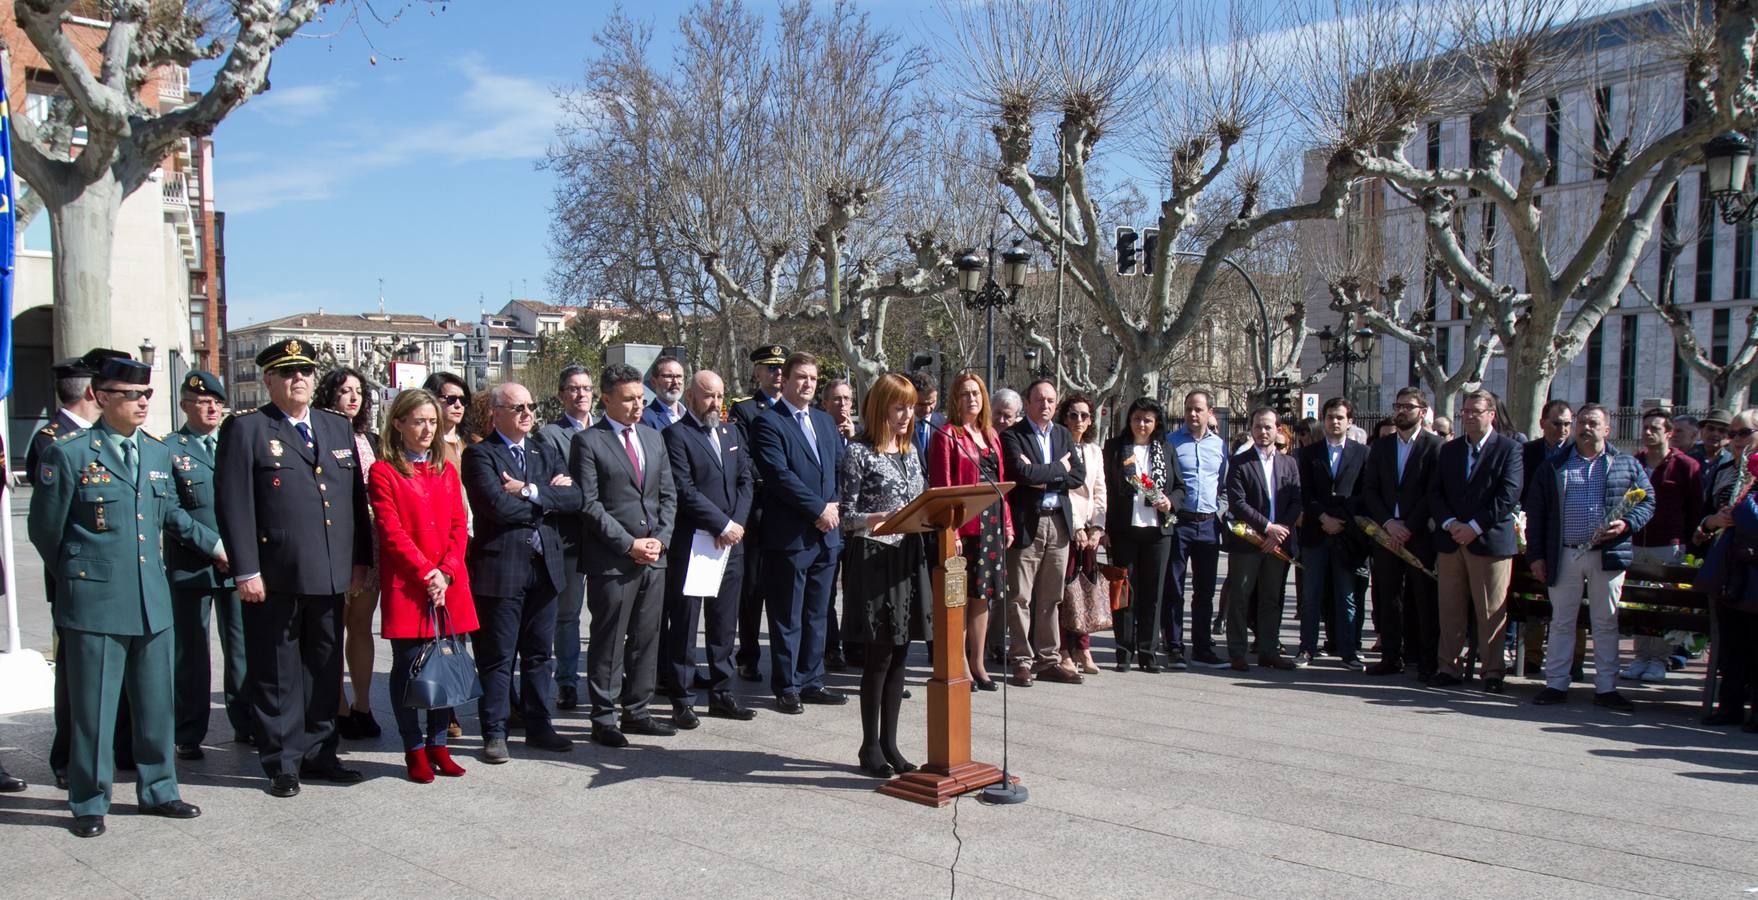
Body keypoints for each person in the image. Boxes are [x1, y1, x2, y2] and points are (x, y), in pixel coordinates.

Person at [28, 356, 221, 837]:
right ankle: (90, 798)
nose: (142, 403)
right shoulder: (69, 454)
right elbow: (46, 531)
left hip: (152, 596)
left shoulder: (156, 454)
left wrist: (213, 544)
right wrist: (82, 577)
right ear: (100, 397)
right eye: (132, 395)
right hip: (94, 600)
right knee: (93, 706)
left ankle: (159, 789)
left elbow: (170, 514)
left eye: (147, 395)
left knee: (156, 702)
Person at [216, 339, 372, 798]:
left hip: (329, 573)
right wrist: (246, 570)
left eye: (304, 371)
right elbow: (235, 506)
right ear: (268, 380)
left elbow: (353, 502)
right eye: (286, 373)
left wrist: (360, 559)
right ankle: (282, 761)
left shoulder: (335, 426)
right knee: (278, 671)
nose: (298, 379)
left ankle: (321, 751)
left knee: (324, 668)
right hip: (275, 575)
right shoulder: (247, 430)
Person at [463, 383, 582, 762]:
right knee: (498, 656)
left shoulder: (544, 451)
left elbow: (575, 498)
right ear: (496, 413)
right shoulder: (481, 455)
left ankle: (539, 725)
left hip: (544, 567)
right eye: (518, 407)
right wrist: (547, 499)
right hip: (501, 569)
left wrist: (529, 490)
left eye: (531, 405)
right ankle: (495, 732)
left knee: (537, 654)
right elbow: (496, 507)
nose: (527, 413)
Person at [32, 351, 134, 789]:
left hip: (121, 583)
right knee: (77, 678)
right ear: (94, 390)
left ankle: (123, 747)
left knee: (121, 672)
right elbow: (48, 527)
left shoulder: (113, 437)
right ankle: (68, 757)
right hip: (78, 585)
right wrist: (74, 573)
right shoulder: (52, 440)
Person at [368, 389, 478, 782]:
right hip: (411, 585)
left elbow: (457, 526)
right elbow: (391, 531)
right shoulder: (384, 471)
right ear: (398, 423)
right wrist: (427, 574)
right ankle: (413, 749)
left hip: (448, 584)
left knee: (444, 664)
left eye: (432, 421)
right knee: (410, 667)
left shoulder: (446, 470)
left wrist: (446, 572)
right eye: (419, 421)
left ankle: (438, 744)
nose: (428, 429)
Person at [574, 364, 680, 744]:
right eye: (629, 399)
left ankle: (638, 710)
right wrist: (628, 544)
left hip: (655, 558)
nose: (638, 406)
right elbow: (588, 505)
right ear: (606, 399)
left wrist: (660, 540)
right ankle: (603, 717)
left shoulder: (654, 438)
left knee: (647, 637)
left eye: (641, 398)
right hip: (613, 561)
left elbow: (668, 495)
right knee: (609, 639)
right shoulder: (588, 442)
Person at [1524, 404, 1654, 709]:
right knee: (1561, 621)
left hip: (1606, 556)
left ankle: (1606, 688)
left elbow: (1648, 502)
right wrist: (1536, 556)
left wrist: (1627, 523)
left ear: (1607, 429)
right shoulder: (1554, 465)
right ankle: (1556, 684)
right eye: (1581, 422)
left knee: (1605, 622)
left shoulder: (1625, 464)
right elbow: (1537, 512)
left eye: (1593, 423)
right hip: (1565, 554)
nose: (1585, 428)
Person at [838, 373, 933, 778]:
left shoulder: (910, 451)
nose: (906, 414)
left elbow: (923, 497)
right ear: (880, 408)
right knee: (878, 656)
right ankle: (869, 745)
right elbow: (846, 516)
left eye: (911, 407)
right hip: (876, 557)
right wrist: (878, 519)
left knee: (900, 655)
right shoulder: (858, 452)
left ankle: (891, 742)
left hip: (911, 556)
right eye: (899, 407)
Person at [750, 352, 847, 713]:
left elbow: (838, 468)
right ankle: (787, 684)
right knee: (787, 615)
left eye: (812, 378)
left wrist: (833, 507)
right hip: (790, 536)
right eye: (801, 377)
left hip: (826, 535)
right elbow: (779, 476)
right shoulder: (768, 423)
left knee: (817, 613)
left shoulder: (823, 421)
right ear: (785, 380)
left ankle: (812, 679)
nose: (807, 384)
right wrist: (818, 509)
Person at [660, 369, 757, 726]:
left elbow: (746, 479)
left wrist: (736, 525)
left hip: (731, 545)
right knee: (685, 624)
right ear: (690, 397)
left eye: (718, 395)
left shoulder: (732, 432)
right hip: (695, 544)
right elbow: (684, 490)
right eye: (707, 395)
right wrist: (721, 524)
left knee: (723, 624)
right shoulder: (675, 435)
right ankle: (682, 698)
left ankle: (722, 693)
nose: (714, 402)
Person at [166, 371, 251, 760]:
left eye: (217, 401)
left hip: (238, 567)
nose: (212, 407)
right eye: (203, 401)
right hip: (193, 567)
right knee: (192, 654)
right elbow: (171, 510)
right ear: (185, 405)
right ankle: (188, 730)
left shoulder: (234, 444)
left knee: (241, 650)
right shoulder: (169, 449)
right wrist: (214, 545)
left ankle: (246, 723)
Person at [1427, 389, 1523, 691]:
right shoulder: (1450, 450)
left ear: (1491, 415)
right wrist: (1451, 523)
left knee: (1490, 611)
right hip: (1451, 540)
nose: (1468, 416)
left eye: (1475, 411)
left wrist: (1475, 526)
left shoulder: (1509, 449)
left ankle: (1493, 671)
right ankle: (1448, 667)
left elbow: (1508, 495)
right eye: (1465, 411)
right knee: (1449, 608)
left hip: (1489, 543)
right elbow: (1435, 492)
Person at [928, 372, 1013, 692]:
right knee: (959, 600)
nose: (971, 399)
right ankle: (960, 662)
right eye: (964, 394)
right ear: (954, 399)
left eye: (976, 393)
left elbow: (1000, 485)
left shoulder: (990, 434)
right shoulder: (947, 434)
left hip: (992, 526)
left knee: (983, 598)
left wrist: (1007, 523)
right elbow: (942, 488)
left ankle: (978, 663)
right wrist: (953, 533)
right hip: (964, 528)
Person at [1001, 379, 1085, 686]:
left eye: (1050, 400)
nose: (1046, 405)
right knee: (1020, 596)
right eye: (1039, 400)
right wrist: (1057, 468)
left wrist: (1043, 473)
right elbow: (1019, 473)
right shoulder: (1013, 435)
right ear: (1028, 402)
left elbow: (1078, 475)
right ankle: (1022, 658)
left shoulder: (1063, 434)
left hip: (1058, 523)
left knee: (1052, 596)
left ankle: (1048, 659)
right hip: (1028, 524)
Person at [1357, 387, 1444, 680]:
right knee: (1388, 598)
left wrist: (1408, 525)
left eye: (1408, 406)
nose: (1401, 411)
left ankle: (1427, 660)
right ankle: (1391, 657)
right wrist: (1388, 523)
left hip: (1419, 535)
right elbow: (1369, 490)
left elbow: (1434, 492)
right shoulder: (1382, 447)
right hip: (1386, 534)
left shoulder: (1435, 446)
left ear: (1422, 411)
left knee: (1424, 599)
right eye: (1398, 405)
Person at [316, 367, 382, 741]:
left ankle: (363, 704)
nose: (353, 397)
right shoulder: (319, 435)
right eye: (344, 391)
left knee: (361, 625)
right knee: (333, 627)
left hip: (369, 541)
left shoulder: (369, 438)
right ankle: (338, 706)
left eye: (358, 391)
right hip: (335, 541)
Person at [1103, 398, 1180, 673]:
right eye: (1137, 419)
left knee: (1153, 593)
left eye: (1148, 419)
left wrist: (1169, 502)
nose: (1142, 424)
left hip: (1158, 531)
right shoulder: (1114, 448)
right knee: (1124, 592)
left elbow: (1181, 488)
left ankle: (1148, 653)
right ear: (1129, 420)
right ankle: (1123, 653)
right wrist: (1104, 529)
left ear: (1156, 422)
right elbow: (1106, 489)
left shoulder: (1167, 449)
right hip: (1124, 530)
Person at [1221, 408, 1302, 671]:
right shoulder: (1240, 462)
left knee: (1271, 598)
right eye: (1258, 427)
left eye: (1268, 427)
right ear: (1251, 429)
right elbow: (1237, 502)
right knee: (1240, 596)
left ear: (1278, 429)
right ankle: (1237, 651)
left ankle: (1269, 649)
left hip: (1278, 543)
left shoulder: (1289, 463)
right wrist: (1267, 527)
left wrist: (1280, 531)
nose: (1263, 431)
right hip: (1248, 541)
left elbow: (1295, 500)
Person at [1624, 410, 1701, 683]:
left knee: (1664, 605)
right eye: (1644, 428)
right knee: (1638, 603)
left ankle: (1659, 659)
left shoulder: (1686, 466)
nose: (1647, 433)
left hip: (1668, 545)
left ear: (1669, 433)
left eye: (1654, 428)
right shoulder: (1634, 462)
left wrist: (1687, 542)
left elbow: (1694, 508)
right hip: (1636, 543)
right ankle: (1641, 656)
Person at [535, 365, 595, 709]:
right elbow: (558, 486)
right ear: (561, 395)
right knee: (568, 614)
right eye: (573, 388)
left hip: (603, 534)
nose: (580, 394)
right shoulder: (550, 435)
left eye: (586, 388)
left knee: (607, 613)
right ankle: (568, 682)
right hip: (569, 536)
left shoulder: (605, 429)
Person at [1294, 398, 1370, 670]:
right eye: (1329, 417)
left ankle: (1348, 651)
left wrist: (1341, 520)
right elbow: (1305, 492)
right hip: (1317, 531)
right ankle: (1306, 648)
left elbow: (1363, 494)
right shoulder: (1309, 453)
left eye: (1339, 417)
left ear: (1350, 421)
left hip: (1346, 534)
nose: (1334, 422)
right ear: (1323, 420)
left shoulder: (1362, 453)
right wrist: (1324, 517)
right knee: (1311, 595)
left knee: (1346, 596)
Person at [729, 344, 789, 681]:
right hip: (759, 506)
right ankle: (748, 654)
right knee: (751, 587)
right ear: (756, 372)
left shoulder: (793, 408)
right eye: (769, 368)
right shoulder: (745, 409)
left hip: (788, 508)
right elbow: (743, 456)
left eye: (780, 368)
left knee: (784, 586)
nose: (777, 373)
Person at [1165, 390, 1229, 669]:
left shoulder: (1219, 445)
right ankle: (1175, 646)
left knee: (1204, 590)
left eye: (1198, 409)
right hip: (1180, 522)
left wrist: (1220, 510)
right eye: (1189, 409)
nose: (1193, 414)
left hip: (1208, 525)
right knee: (1175, 587)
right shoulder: (1171, 442)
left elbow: (1225, 486)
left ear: (1209, 412)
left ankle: (1202, 647)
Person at [1701, 452, 1758, 730]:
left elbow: (1749, 519)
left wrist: (1739, 509)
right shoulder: (1738, 487)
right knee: (1731, 647)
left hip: (1753, 578)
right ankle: (1729, 706)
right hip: (1732, 576)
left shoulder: (1747, 497)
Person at [1059, 393, 1107, 674]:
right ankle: (1064, 648)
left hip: (1090, 531)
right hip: (1066, 525)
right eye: (1074, 415)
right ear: (1064, 417)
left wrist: (1097, 527)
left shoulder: (1094, 451)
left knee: (1086, 588)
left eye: (1085, 415)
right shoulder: (1060, 448)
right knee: (1065, 590)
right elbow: (1063, 490)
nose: (1079, 420)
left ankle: (1083, 647)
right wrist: (1076, 525)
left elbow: (1100, 490)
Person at [819, 377, 857, 668]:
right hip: (831, 522)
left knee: (857, 589)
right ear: (824, 404)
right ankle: (831, 647)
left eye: (846, 399)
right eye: (836, 399)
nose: (842, 404)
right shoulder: (819, 432)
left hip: (855, 525)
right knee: (828, 591)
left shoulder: (860, 435)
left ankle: (856, 646)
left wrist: (854, 440)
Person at [423, 372, 472, 449]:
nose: (458, 405)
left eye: (463, 400)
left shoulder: (475, 442)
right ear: (432, 399)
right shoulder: (424, 445)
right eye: (451, 399)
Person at [640, 355, 688, 432]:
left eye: (679, 376)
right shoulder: (645, 418)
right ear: (653, 382)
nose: (675, 382)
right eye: (669, 376)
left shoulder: (691, 415)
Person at [909, 371, 943, 469]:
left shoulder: (943, 424)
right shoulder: (899, 424)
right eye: (921, 404)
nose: (927, 410)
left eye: (932, 403)